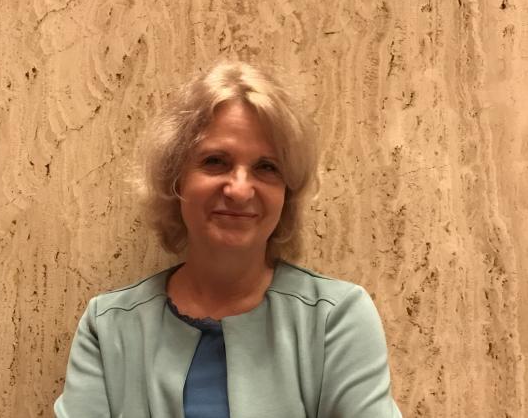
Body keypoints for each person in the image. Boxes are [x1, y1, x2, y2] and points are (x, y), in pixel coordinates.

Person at [54, 60, 402, 417]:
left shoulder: (336, 318)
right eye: (216, 161)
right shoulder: (109, 325)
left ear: (287, 192)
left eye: (267, 167)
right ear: (176, 179)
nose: (239, 189)